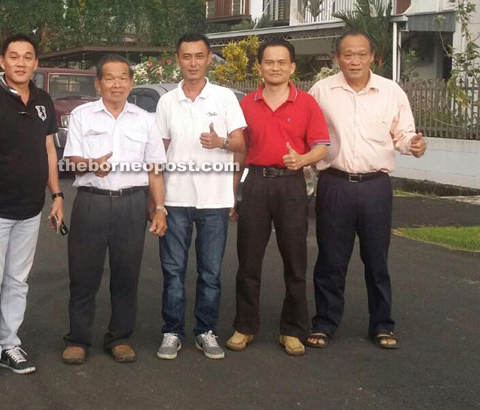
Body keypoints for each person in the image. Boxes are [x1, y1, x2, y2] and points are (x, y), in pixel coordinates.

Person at [306, 30, 427, 350]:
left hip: (376, 187)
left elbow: (403, 135)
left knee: (377, 260)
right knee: (330, 260)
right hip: (334, 184)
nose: (354, 60)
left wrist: (413, 144)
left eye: (361, 54)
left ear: (373, 56)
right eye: (348, 54)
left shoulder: (391, 91)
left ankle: (382, 324)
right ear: (337, 58)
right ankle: (325, 323)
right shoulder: (322, 91)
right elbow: (310, 133)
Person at [0, 34, 64, 384]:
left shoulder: (43, 101)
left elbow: (50, 151)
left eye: (28, 57)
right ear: (1, 61)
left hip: (31, 209)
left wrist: (57, 197)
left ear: (35, 63)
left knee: (17, 281)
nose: (21, 62)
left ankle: (9, 344)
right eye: (14, 56)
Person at [60, 54, 168, 365]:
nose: (117, 84)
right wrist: (92, 164)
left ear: (131, 83)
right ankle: (78, 339)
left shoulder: (145, 119)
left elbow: (155, 170)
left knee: (126, 274)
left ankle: (120, 338)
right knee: (83, 275)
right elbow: (71, 160)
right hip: (91, 201)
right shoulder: (82, 116)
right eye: (110, 78)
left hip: (132, 204)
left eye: (123, 77)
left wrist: (159, 207)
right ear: (98, 83)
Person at [226, 39, 330, 357]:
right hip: (256, 184)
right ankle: (245, 326)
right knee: (248, 262)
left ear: (292, 67)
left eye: (281, 62)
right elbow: (239, 152)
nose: (275, 67)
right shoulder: (245, 105)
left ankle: (293, 329)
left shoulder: (307, 103)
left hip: (291, 186)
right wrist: (232, 194)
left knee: (295, 262)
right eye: (269, 62)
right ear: (259, 67)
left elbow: (321, 145)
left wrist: (303, 159)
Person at [155, 33, 247, 360]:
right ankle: (172, 331)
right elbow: (159, 153)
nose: (192, 63)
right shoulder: (167, 101)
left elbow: (241, 143)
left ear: (209, 59)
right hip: (176, 198)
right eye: (186, 56)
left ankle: (206, 331)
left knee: (210, 272)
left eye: (199, 56)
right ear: (177, 59)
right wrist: (157, 203)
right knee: (173, 270)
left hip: (215, 199)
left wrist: (221, 142)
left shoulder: (223, 98)